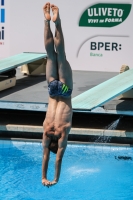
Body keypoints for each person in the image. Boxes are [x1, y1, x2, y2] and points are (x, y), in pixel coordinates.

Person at [42, 2, 73, 187]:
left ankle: (57, 22)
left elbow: (58, 159)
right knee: (50, 53)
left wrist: (56, 179)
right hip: (53, 90)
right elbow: (45, 155)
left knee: (60, 54)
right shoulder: (46, 131)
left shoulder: (63, 133)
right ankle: (46, 22)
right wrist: (44, 177)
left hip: (65, 91)